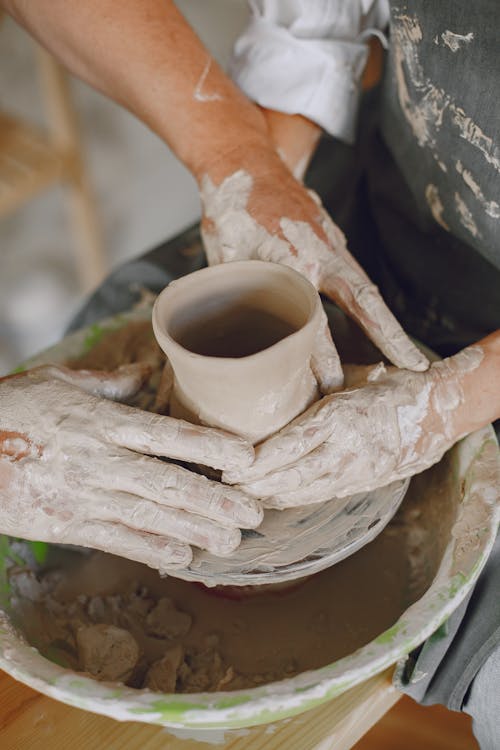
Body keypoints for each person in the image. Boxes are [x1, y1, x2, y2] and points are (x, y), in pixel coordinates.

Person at [0, 1, 498, 745]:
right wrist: (242, 160)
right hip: (388, 226)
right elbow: (316, 20)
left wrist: (449, 404)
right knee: (111, 314)